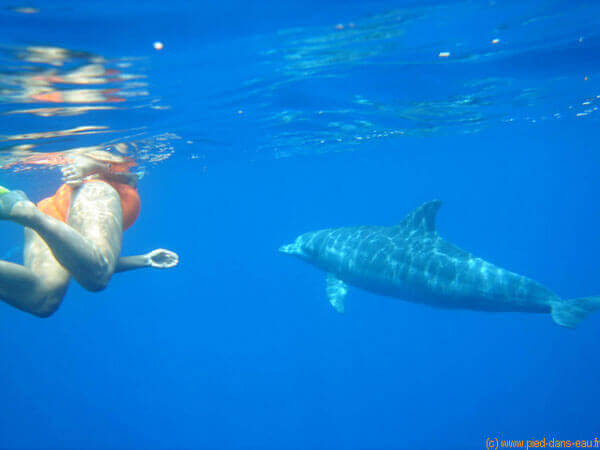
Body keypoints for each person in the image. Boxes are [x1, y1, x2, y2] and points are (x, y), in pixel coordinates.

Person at [0, 150, 178, 317]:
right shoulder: (121, 154)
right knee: (96, 279)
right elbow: (95, 158)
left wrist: (144, 260)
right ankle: (29, 214)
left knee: (42, 300)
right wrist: (83, 168)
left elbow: (81, 260)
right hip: (92, 193)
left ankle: (29, 214)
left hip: (51, 212)